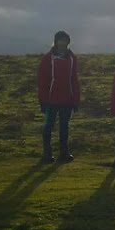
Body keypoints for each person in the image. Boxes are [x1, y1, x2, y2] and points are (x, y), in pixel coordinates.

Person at [38, 30, 81, 163]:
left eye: (65, 40)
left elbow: (74, 79)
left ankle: (64, 152)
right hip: (51, 100)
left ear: (68, 42)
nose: (62, 43)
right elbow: (42, 80)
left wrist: (76, 99)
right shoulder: (47, 58)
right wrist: (43, 99)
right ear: (56, 41)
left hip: (67, 99)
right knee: (48, 126)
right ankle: (47, 152)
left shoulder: (72, 58)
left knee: (64, 127)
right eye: (60, 40)